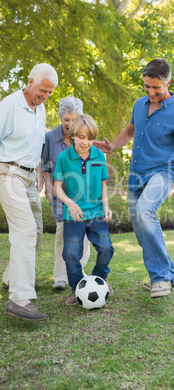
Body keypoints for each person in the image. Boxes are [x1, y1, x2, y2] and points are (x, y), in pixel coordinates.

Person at [94, 58, 174, 299]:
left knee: (144, 210)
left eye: (156, 88)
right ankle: (170, 271)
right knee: (141, 231)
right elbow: (130, 130)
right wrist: (113, 146)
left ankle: (160, 278)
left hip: (163, 171)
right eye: (146, 87)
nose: (150, 92)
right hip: (137, 173)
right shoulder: (140, 105)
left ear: (168, 83)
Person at [0, 63, 58, 321]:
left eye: (50, 93)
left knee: (35, 230)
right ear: (30, 81)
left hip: (28, 176)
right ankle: (20, 298)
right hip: (7, 173)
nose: (45, 96)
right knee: (23, 229)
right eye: (43, 90)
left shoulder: (41, 108)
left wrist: (36, 171)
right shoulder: (10, 106)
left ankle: (10, 278)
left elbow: (36, 144)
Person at [54, 114, 114, 306]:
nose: (85, 142)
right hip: (74, 214)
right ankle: (77, 288)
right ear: (73, 136)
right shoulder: (64, 157)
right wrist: (70, 203)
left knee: (106, 248)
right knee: (71, 253)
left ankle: (99, 281)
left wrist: (106, 206)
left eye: (89, 138)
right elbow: (57, 187)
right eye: (81, 137)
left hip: (96, 211)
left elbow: (104, 184)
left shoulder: (99, 155)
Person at [42, 95, 90, 289]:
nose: (70, 124)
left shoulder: (85, 135)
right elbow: (45, 166)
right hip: (60, 193)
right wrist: (47, 186)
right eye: (66, 120)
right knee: (63, 233)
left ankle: (78, 269)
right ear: (60, 118)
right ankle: (60, 277)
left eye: (74, 119)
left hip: (83, 194)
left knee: (83, 235)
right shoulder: (50, 138)